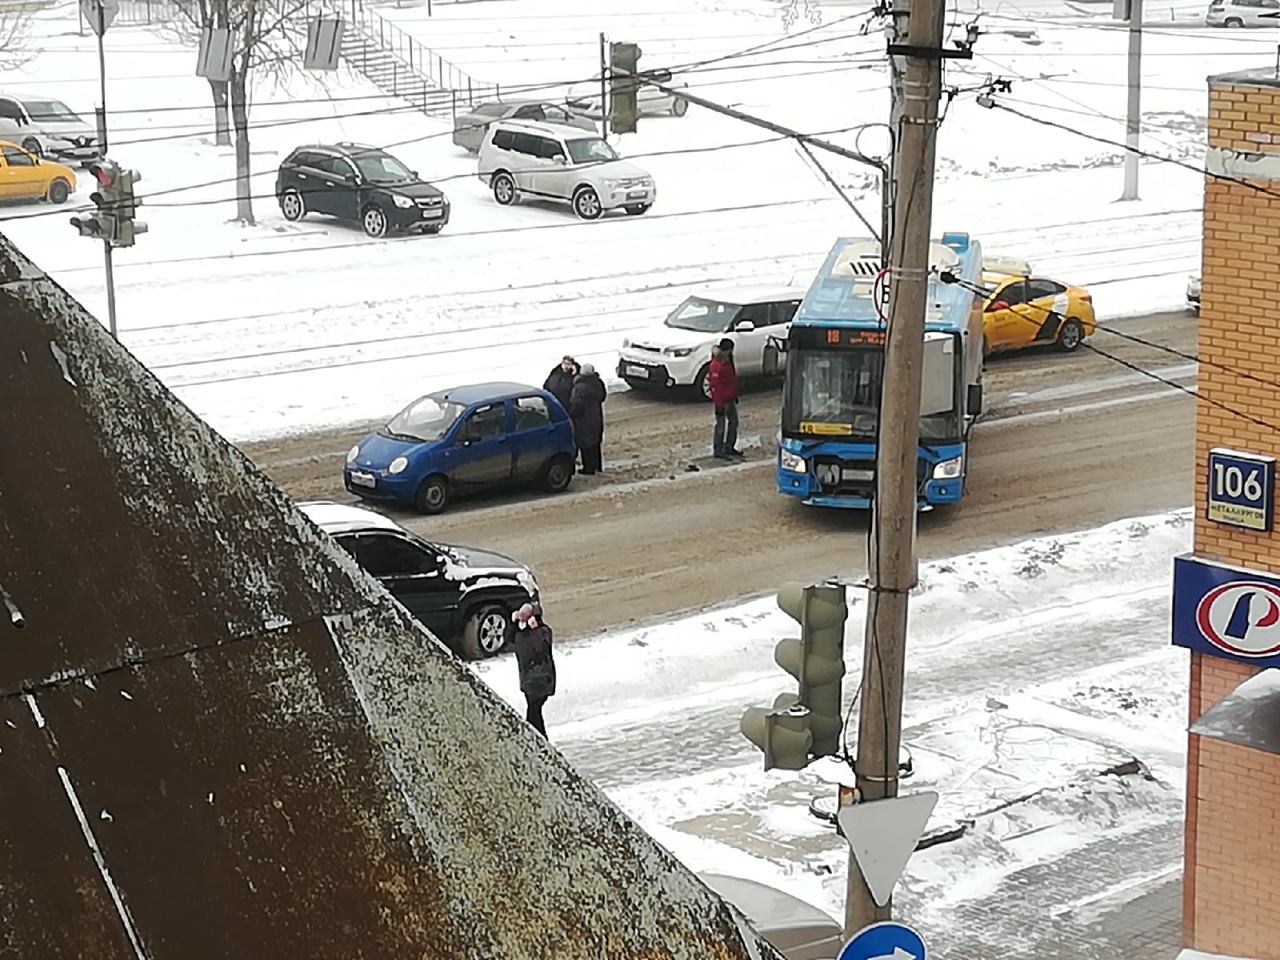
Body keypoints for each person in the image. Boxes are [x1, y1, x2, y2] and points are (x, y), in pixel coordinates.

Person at [507, 602, 556, 738]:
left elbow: (542, 649)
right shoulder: (520, 635)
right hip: (528, 681)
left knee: (533, 712)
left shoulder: (543, 632)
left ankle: (535, 739)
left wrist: (535, 628)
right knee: (534, 712)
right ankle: (537, 739)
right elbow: (508, 642)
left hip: (541, 681)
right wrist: (512, 624)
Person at [569, 362, 607, 475]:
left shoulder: (580, 387)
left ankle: (588, 468)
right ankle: (597, 466)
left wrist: (573, 414)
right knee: (595, 443)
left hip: (583, 418)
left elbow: (577, 404)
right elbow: (603, 397)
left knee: (585, 444)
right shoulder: (598, 383)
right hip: (596, 416)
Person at [708, 337, 742, 460]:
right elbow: (715, 386)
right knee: (721, 425)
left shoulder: (726, 361)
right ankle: (719, 449)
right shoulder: (718, 365)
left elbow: (731, 381)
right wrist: (718, 403)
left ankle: (728, 447)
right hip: (722, 400)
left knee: (733, 423)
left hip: (729, 398)